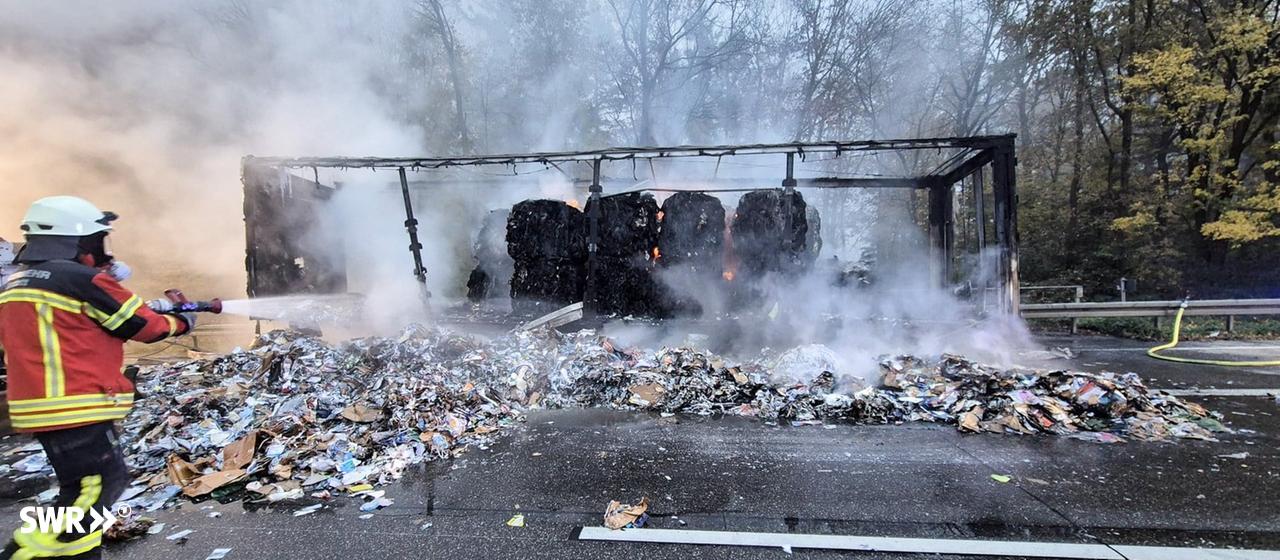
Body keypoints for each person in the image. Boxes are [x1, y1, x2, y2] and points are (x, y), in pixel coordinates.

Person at [0, 196, 195, 560]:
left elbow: (80, 327)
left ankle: (81, 556)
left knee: (83, 490)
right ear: (79, 240)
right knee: (97, 489)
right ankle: (23, 552)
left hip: (41, 405)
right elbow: (145, 327)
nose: (101, 249)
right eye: (97, 239)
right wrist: (182, 321)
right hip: (74, 403)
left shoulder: (22, 280)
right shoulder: (79, 279)